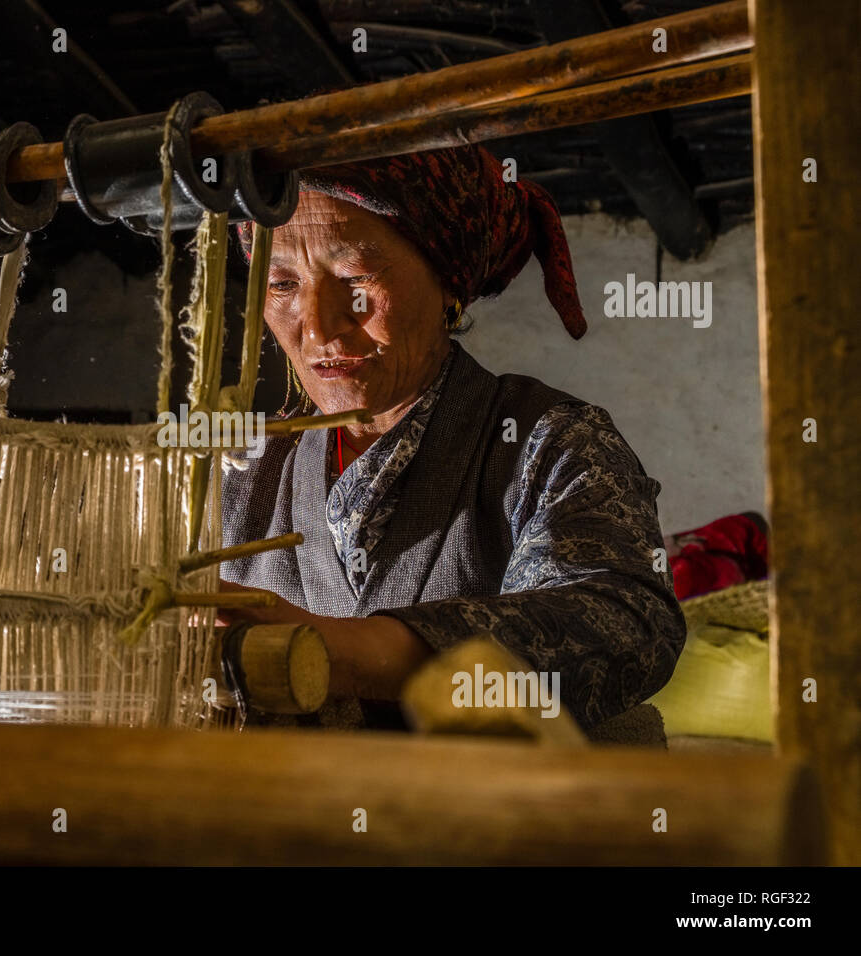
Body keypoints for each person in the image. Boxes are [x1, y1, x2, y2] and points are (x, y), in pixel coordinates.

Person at [217, 145, 685, 730]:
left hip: (493, 816)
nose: (315, 324)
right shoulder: (242, 468)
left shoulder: (550, 444)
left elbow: (624, 622)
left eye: (355, 277)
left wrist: (332, 652)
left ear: (448, 284)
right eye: (283, 283)